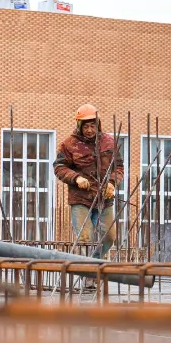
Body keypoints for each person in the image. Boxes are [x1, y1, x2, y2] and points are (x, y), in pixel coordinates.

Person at [53, 104, 124, 286]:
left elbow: (119, 167)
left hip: (104, 199)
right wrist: (76, 178)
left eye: (93, 125)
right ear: (79, 126)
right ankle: (90, 276)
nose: (90, 130)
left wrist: (112, 182)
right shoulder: (69, 144)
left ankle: (93, 265)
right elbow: (59, 167)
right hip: (81, 199)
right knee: (85, 238)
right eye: (86, 126)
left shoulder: (109, 142)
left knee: (109, 236)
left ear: (98, 124)